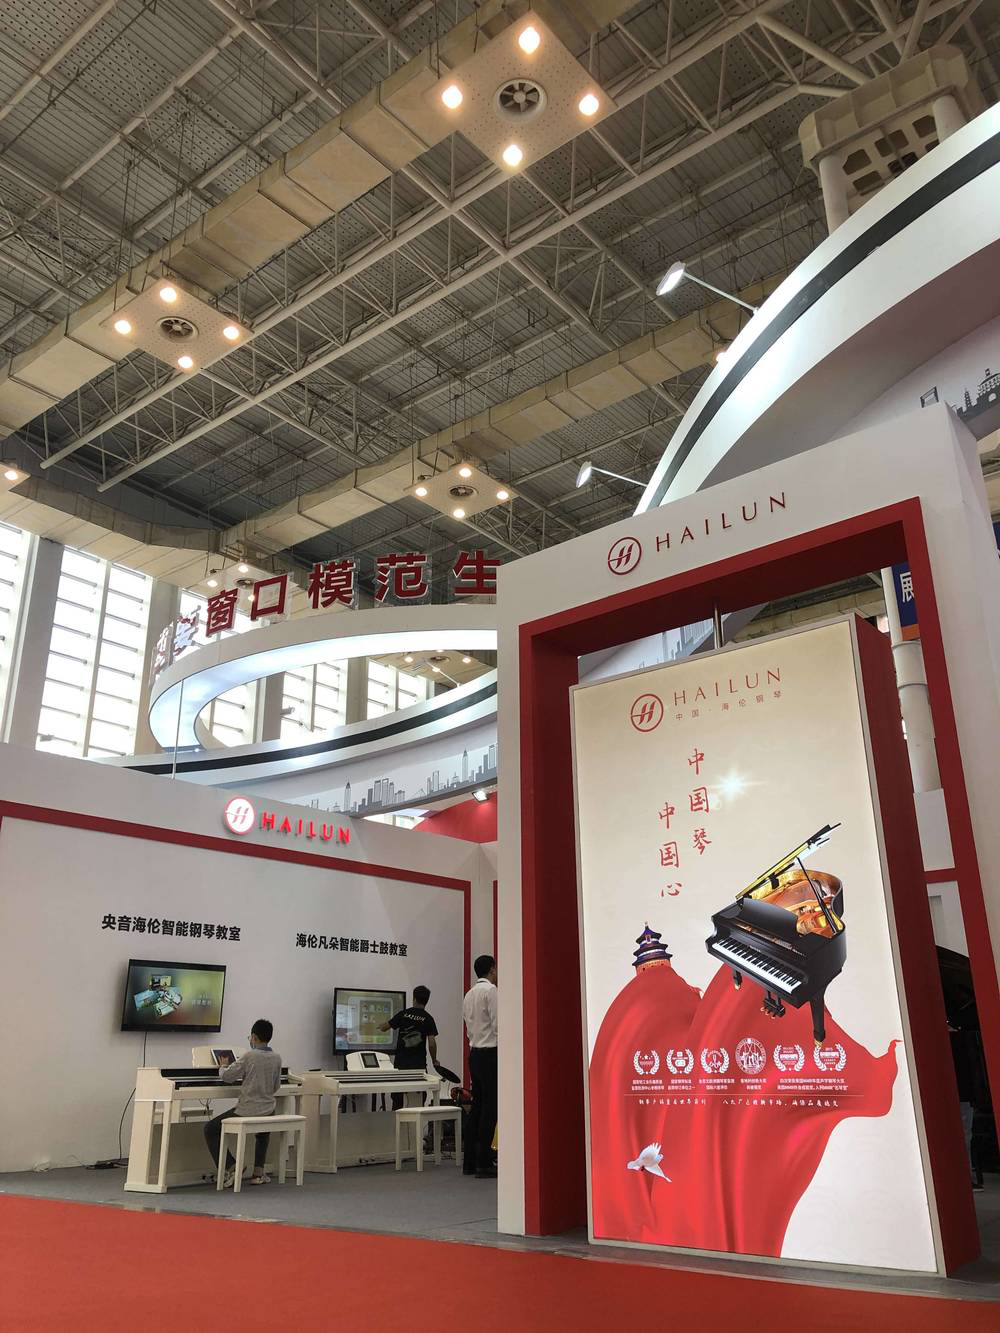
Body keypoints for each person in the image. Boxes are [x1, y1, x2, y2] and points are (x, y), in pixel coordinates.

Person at [204, 1018, 281, 1187]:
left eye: (250, 1038)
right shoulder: (277, 1058)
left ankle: (231, 1166)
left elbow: (227, 1077)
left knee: (210, 1128)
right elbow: (276, 1086)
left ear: (254, 1037)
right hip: (268, 1108)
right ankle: (258, 1173)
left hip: (247, 1109)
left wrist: (222, 1066)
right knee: (263, 1132)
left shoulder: (249, 1055)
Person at [462, 954, 498, 1179]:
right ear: (492, 969)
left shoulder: (469, 994)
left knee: (477, 1106)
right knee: (490, 1109)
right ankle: (484, 1162)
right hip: (490, 1054)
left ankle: (470, 1162)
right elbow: (498, 1025)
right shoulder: (491, 991)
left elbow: (468, 1026)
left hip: (474, 1053)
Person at [381, 985, 439, 1071]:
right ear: (426, 1001)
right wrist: (434, 1060)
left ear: (414, 999)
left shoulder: (403, 1014)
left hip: (401, 1065)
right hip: (419, 1065)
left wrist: (380, 1025)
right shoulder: (428, 1019)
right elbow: (432, 1044)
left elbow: (384, 1028)